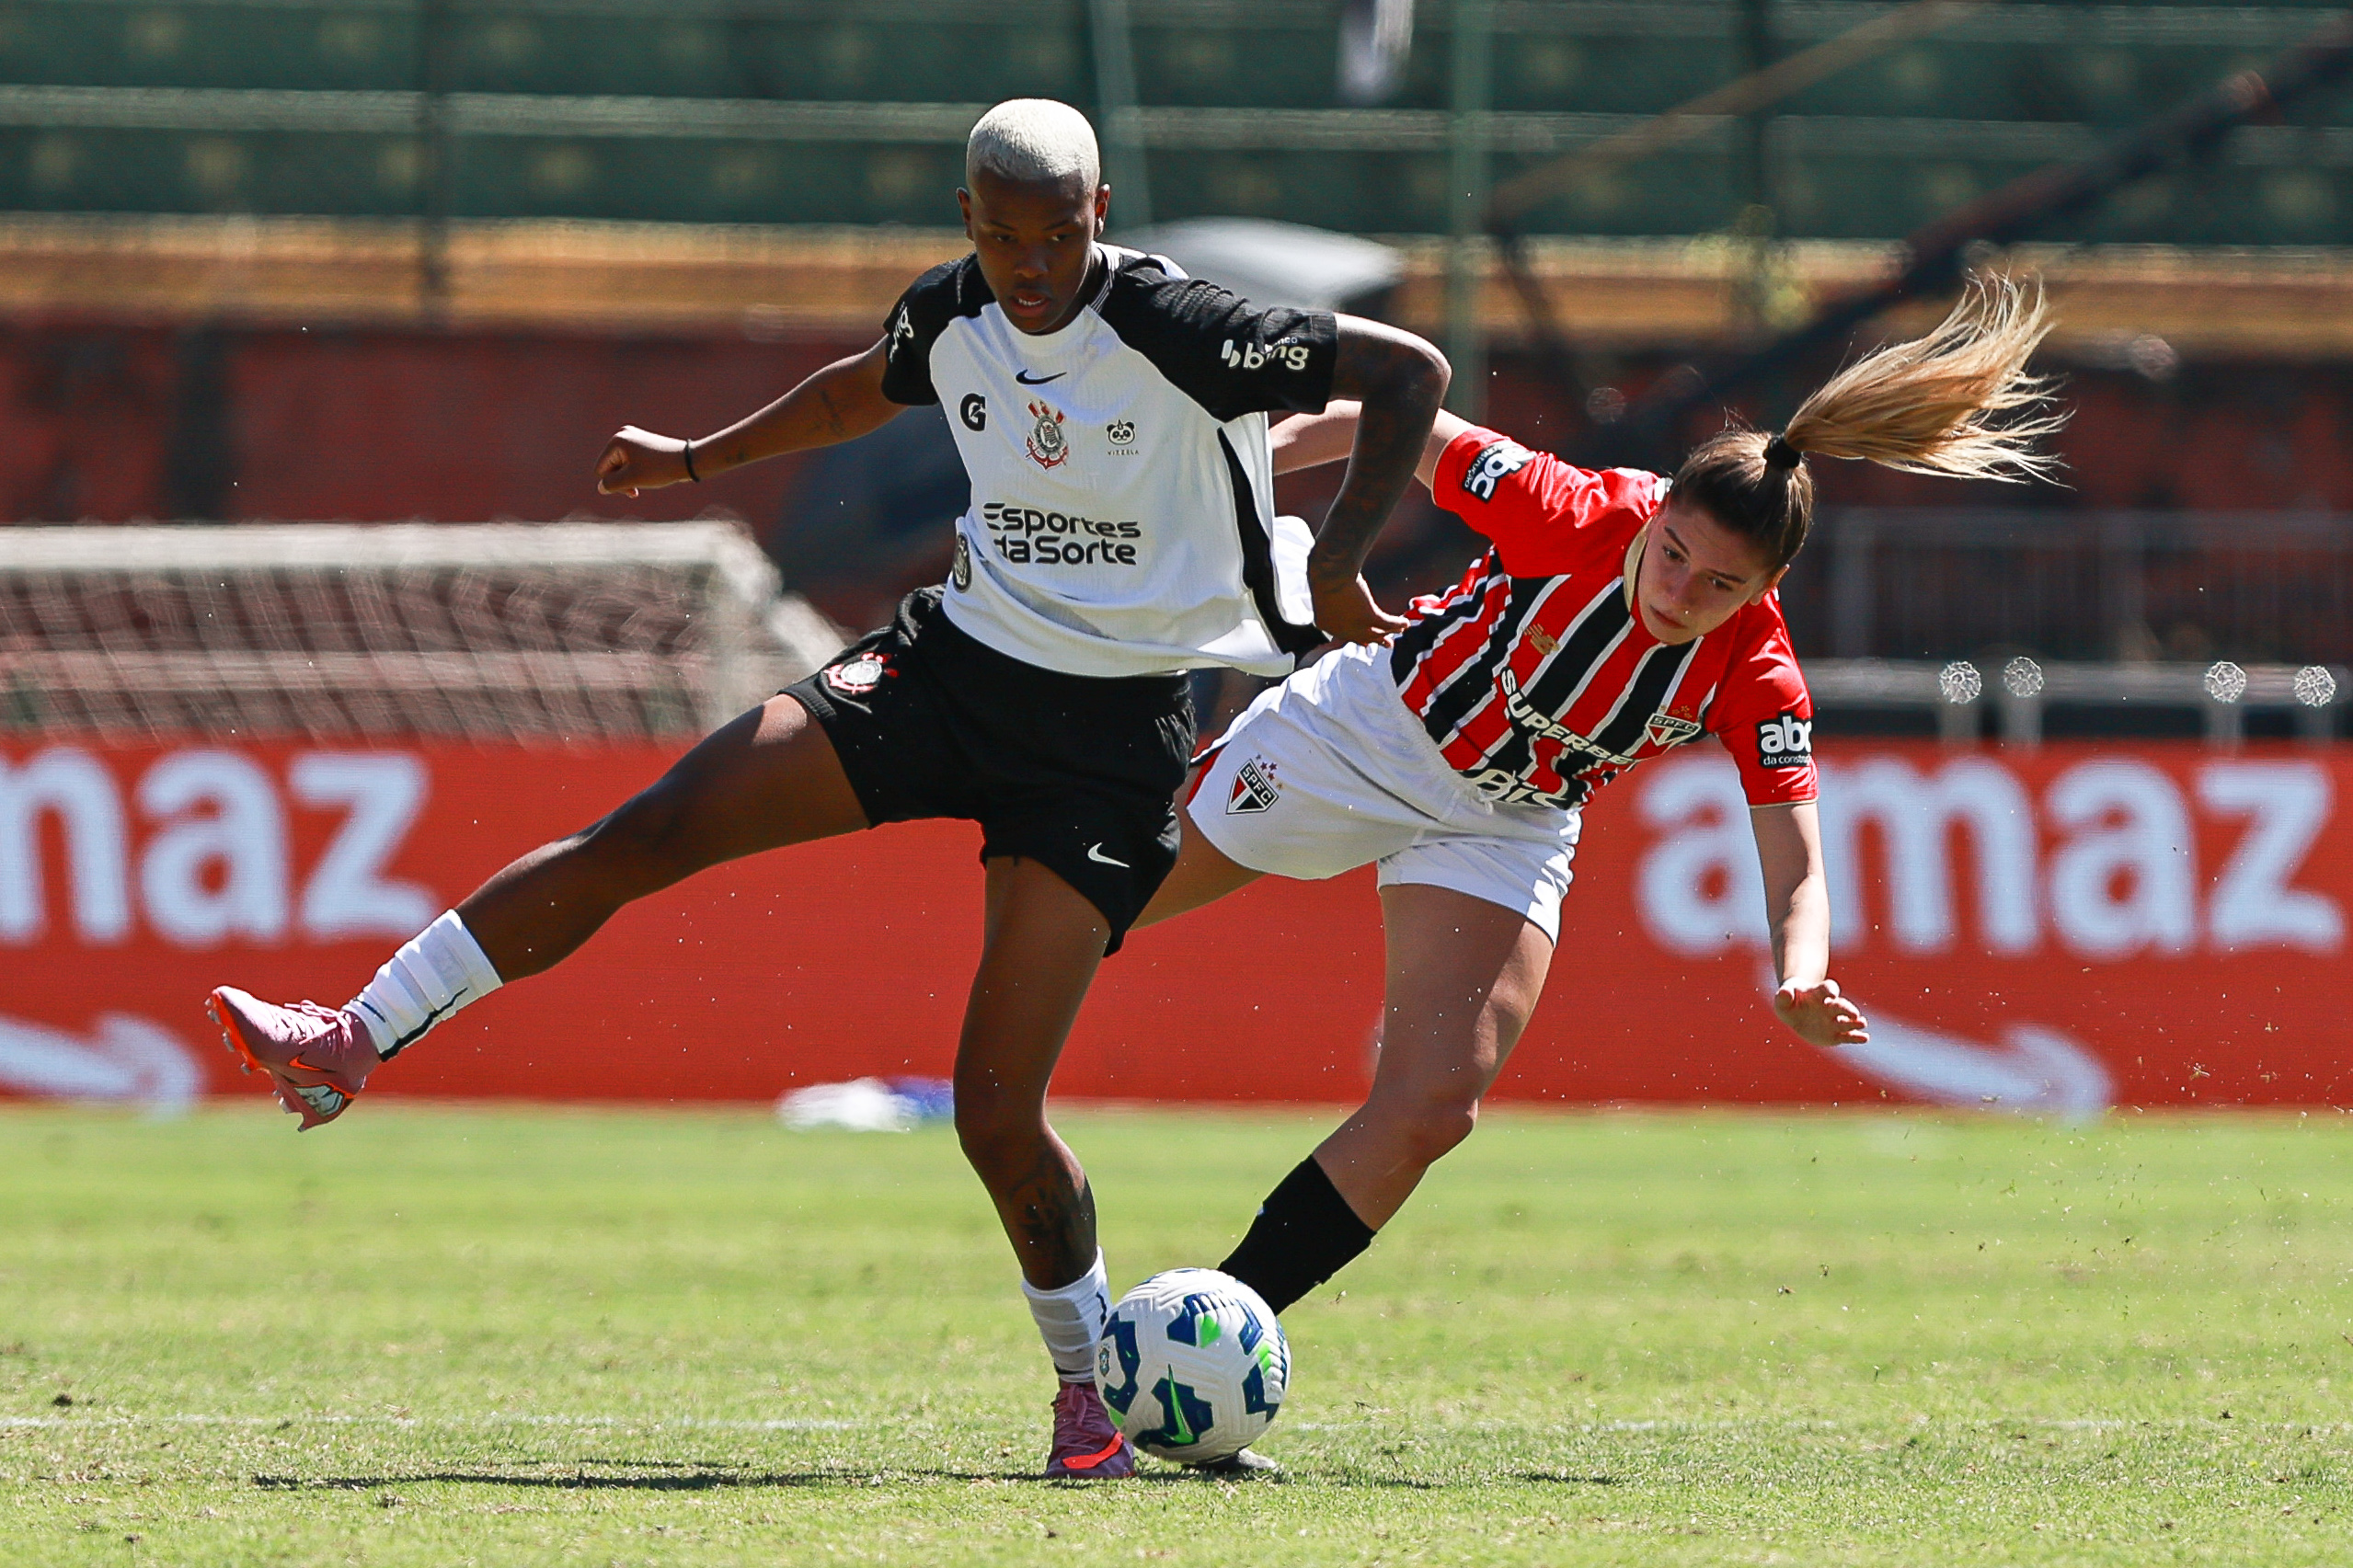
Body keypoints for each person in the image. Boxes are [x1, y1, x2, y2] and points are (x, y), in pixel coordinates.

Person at [203, 98, 1449, 1479]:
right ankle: (350, 1039)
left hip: (1108, 744)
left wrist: (1336, 561)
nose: (1025, 267)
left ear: (1097, 216)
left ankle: (1086, 1394)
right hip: (951, 670)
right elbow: (863, 385)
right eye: (997, 236)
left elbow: (1408, 370)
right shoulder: (955, 309)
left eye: (1051, 236)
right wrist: (695, 459)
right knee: (658, 825)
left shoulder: (1182, 323)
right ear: (965, 220)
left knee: (992, 1109)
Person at [1132, 276, 2064, 1320]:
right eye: (1672, 554)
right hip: (1368, 731)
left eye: (1718, 585)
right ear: (1655, 509)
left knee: (1433, 1105)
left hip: (1509, 816)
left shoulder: (1756, 673)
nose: (1677, 593)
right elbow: (1392, 417)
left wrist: (1800, 976)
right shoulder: (1564, 509)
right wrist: (1221, 481)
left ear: (1764, 593)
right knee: (1101, 908)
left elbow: (1795, 858)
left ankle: (1215, 1322)